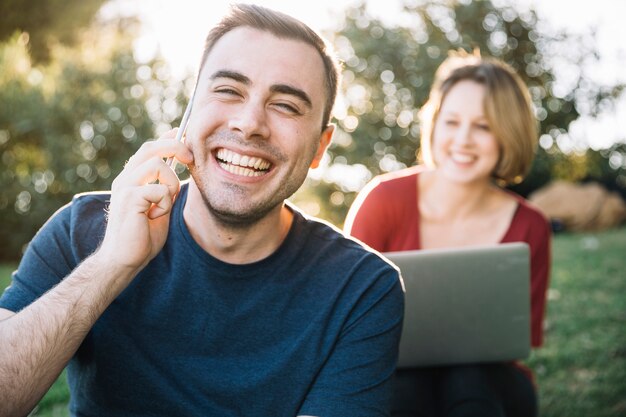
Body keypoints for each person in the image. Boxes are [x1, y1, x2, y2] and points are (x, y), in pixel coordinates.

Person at [0, 4, 404, 416]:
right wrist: (109, 266)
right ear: (188, 113)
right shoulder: (81, 229)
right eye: (229, 90)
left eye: (286, 105)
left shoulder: (362, 289)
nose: (249, 124)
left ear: (320, 146)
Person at [344, 51, 551, 417]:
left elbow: (517, 341)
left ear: (508, 133)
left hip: (490, 385)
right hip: (393, 377)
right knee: (404, 389)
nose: (463, 140)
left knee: (469, 379)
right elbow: (343, 315)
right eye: (451, 121)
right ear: (435, 124)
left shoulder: (530, 226)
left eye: (483, 126)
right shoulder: (383, 200)